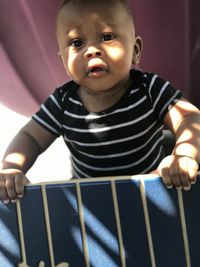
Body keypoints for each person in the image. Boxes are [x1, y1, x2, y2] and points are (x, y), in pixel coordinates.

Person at [0, 0, 200, 204]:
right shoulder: (62, 103)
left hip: (151, 194)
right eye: (77, 43)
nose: (92, 50)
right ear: (64, 64)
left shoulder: (149, 89)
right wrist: (12, 169)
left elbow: (189, 117)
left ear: (135, 49)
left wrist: (184, 154)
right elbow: (30, 136)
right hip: (90, 202)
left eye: (107, 37)